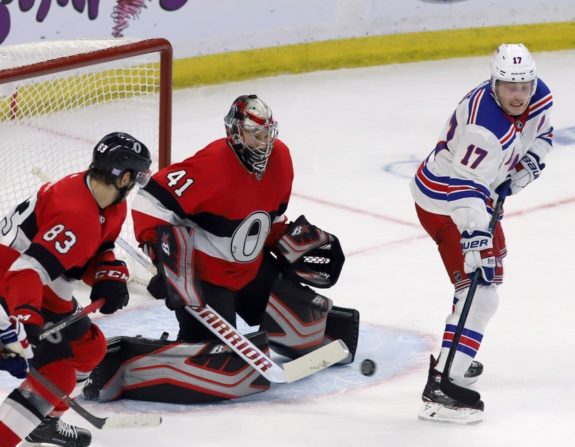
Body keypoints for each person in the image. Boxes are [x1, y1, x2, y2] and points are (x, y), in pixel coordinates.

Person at [93, 94, 359, 404]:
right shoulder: (212, 165)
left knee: (307, 327)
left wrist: (290, 241)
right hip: (206, 279)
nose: (264, 142)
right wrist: (167, 264)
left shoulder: (281, 159)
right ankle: (122, 365)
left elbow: (269, 215)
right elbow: (151, 204)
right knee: (219, 366)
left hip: (251, 269)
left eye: (267, 133)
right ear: (235, 133)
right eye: (255, 134)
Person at [410, 43, 553, 423]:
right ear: (495, 84)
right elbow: (463, 187)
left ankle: (455, 354)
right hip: (445, 202)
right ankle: (443, 383)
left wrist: (527, 168)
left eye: (524, 86)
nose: (519, 95)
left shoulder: (538, 95)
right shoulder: (483, 129)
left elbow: (542, 135)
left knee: (492, 277)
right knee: (481, 293)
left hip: (476, 196)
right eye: (510, 87)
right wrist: (474, 239)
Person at [0, 132, 152, 447]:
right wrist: (26, 320)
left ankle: (42, 424)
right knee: (58, 375)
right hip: (10, 290)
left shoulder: (106, 203)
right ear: (123, 177)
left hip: (43, 288)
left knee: (89, 348)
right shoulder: (74, 214)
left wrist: (107, 275)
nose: (136, 183)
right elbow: (25, 271)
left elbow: (98, 247)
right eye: (135, 177)